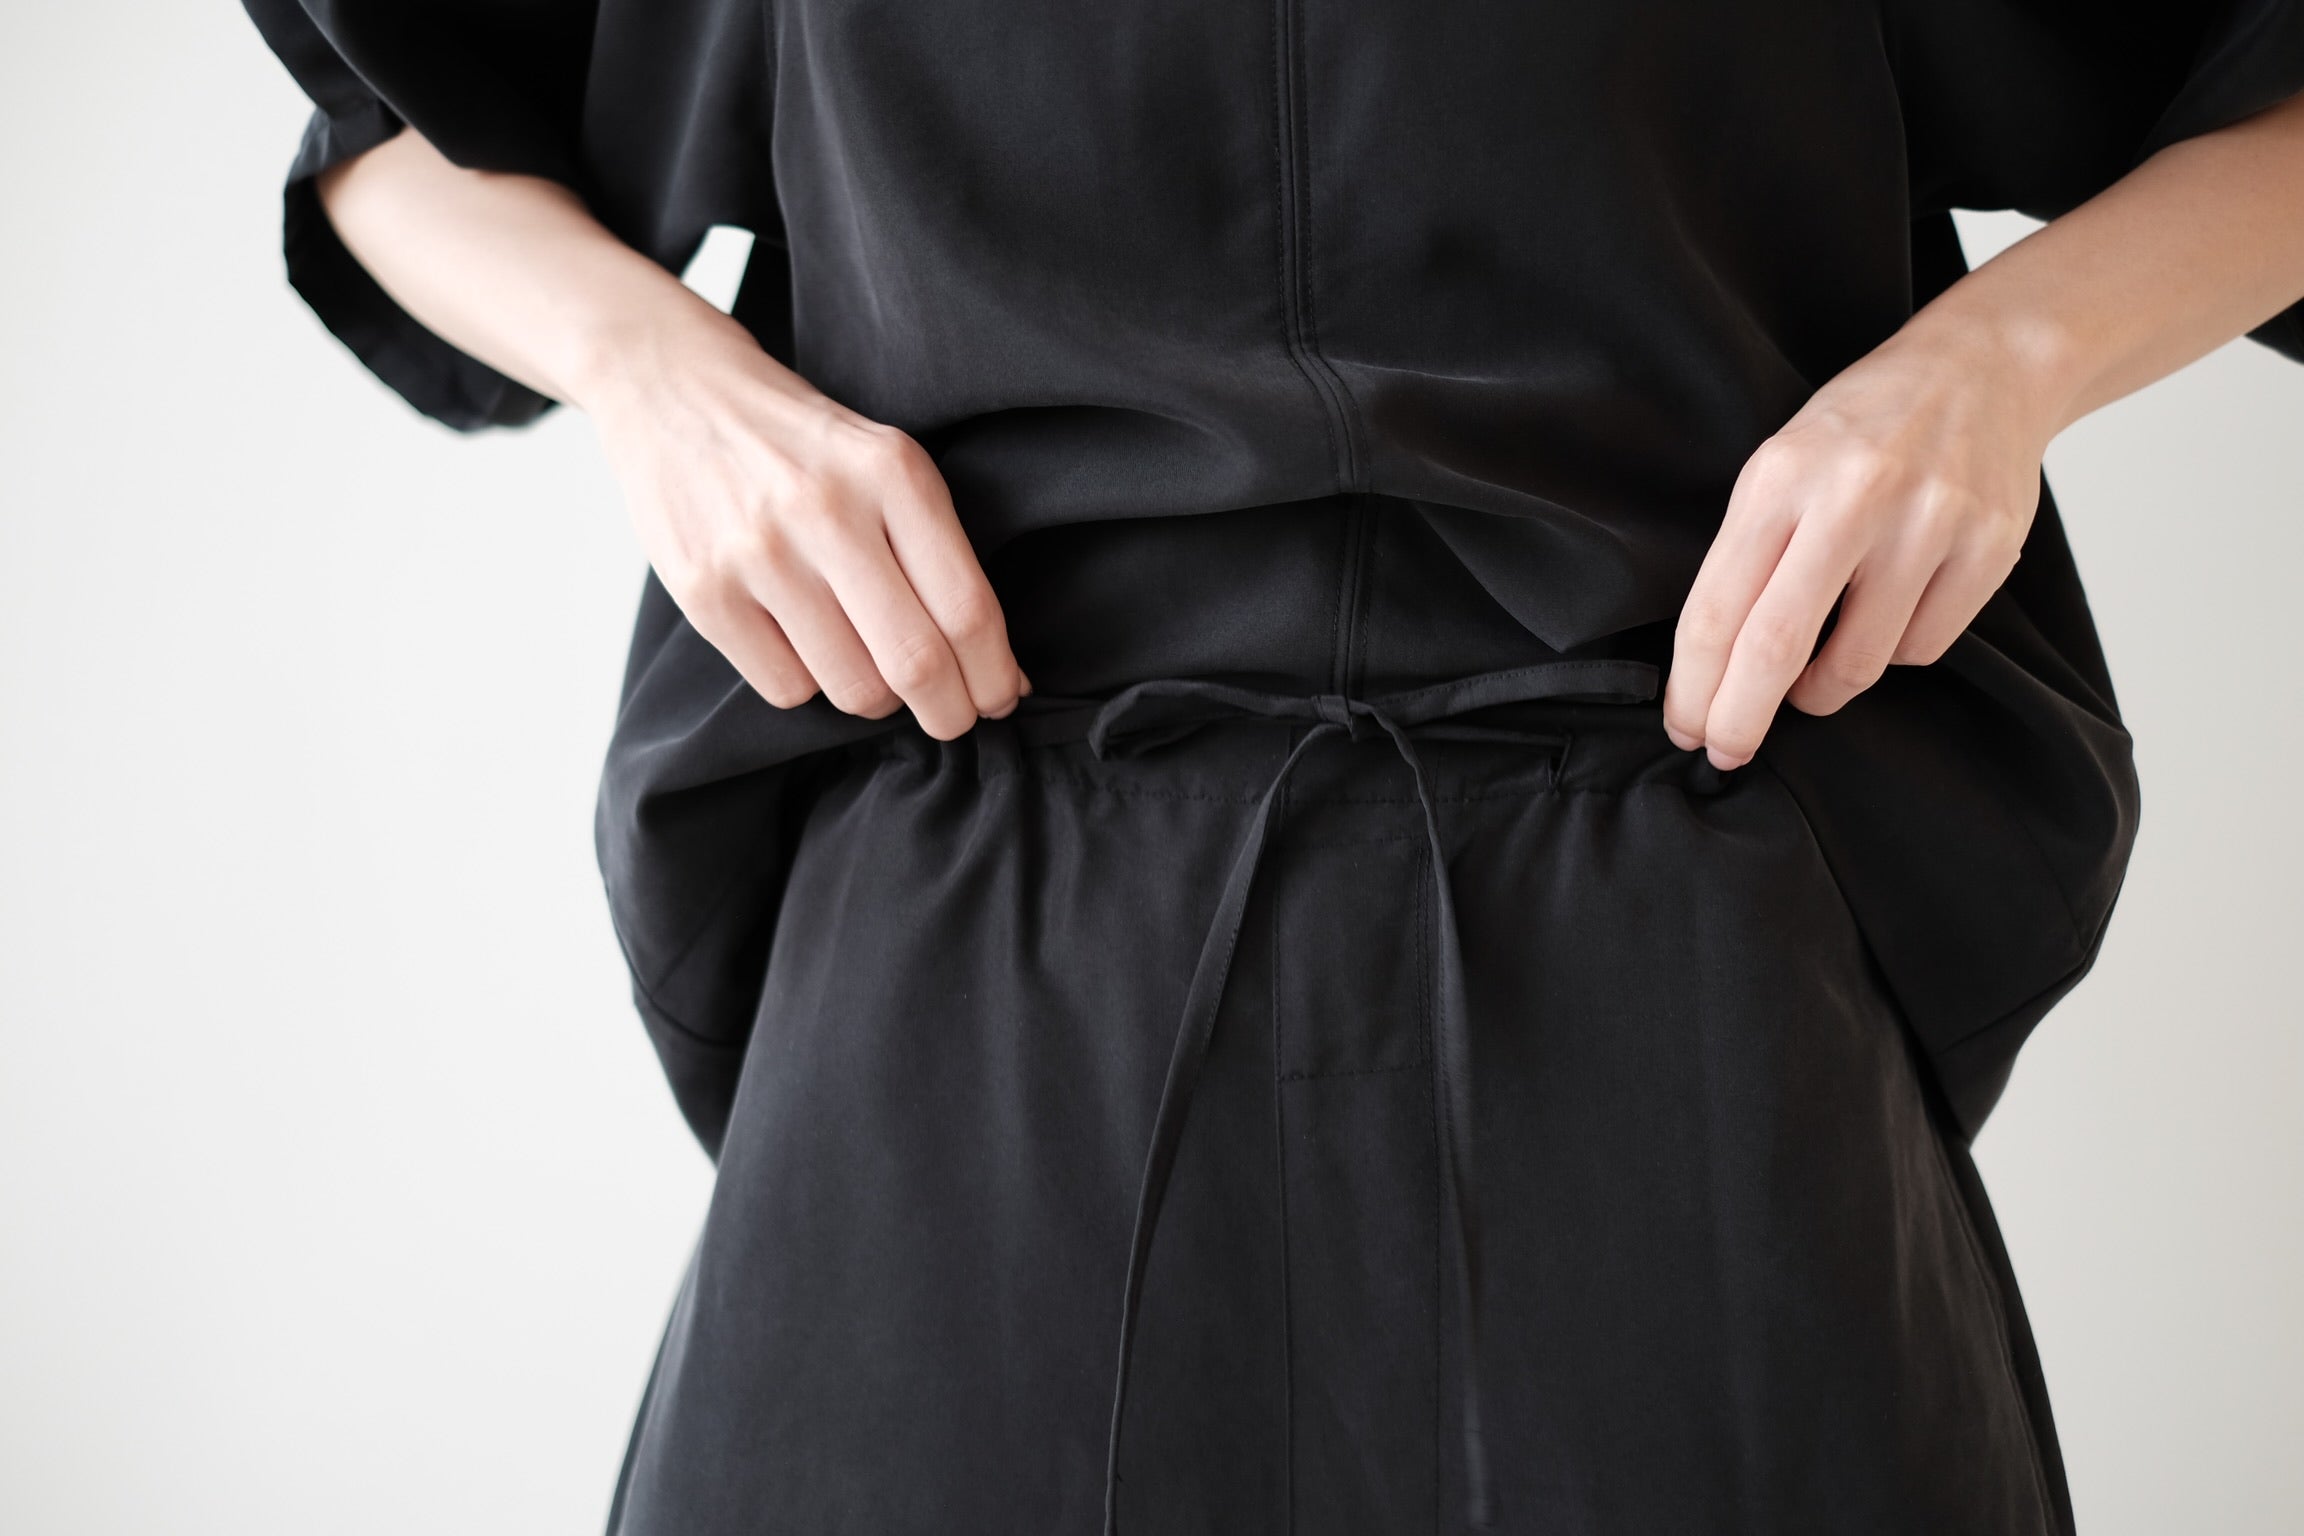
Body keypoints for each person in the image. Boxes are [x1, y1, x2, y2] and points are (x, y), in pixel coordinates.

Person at [239, 3, 2304, 1531]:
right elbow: (389, 120)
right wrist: (652, 371)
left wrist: (2003, 362)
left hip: (1677, 965)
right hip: (966, 989)